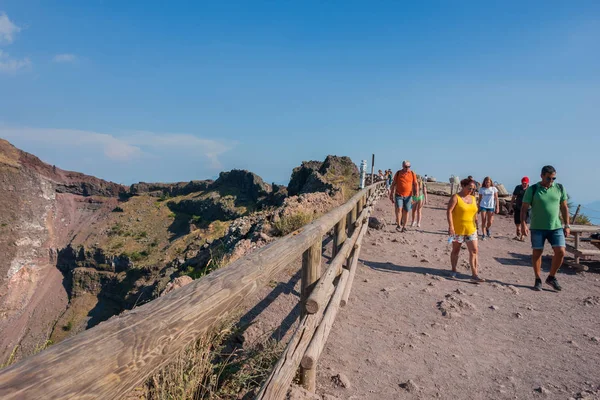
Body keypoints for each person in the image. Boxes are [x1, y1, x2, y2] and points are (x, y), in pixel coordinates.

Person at [520, 165, 569, 291]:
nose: (551, 181)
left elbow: (564, 207)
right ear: (542, 176)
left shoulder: (559, 188)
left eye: (553, 178)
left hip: (556, 226)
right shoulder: (533, 189)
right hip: (537, 227)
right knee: (537, 252)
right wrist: (523, 224)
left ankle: (551, 277)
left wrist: (567, 225)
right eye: (548, 178)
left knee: (561, 251)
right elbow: (524, 208)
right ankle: (537, 279)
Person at [446, 177, 485, 282]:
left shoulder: (473, 198)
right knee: (456, 250)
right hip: (458, 229)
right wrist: (451, 227)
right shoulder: (456, 197)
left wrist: (477, 224)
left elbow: (474, 212)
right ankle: (453, 270)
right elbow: (449, 211)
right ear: (463, 186)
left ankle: (475, 274)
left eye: (473, 189)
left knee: (474, 251)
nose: (471, 190)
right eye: (470, 188)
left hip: (471, 229)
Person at [389, 160, 419, 232]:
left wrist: (417, 193)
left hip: (408, 196)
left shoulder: (412, 173)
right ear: (402, 166)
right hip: (399, 194)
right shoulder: (398, 173)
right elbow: (393, 183)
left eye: (409, 167)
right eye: (406, 167)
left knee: (406, 211)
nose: (407, 168)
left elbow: (415, 184)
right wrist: (391, 193)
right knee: (399, 209)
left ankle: (404, 226)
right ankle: (399, 224)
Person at [512, 176, 530, 241]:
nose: (524, 184)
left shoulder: (530, 189)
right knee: (517, 221)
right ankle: (518, 228)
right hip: (518, 206)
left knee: (524, 221)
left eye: (525, 183)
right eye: (523, 183)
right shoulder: (518, 188)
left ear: (528, 183)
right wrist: (511, 204)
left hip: (527, 208)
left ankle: (522, 236)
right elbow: (514, 196)